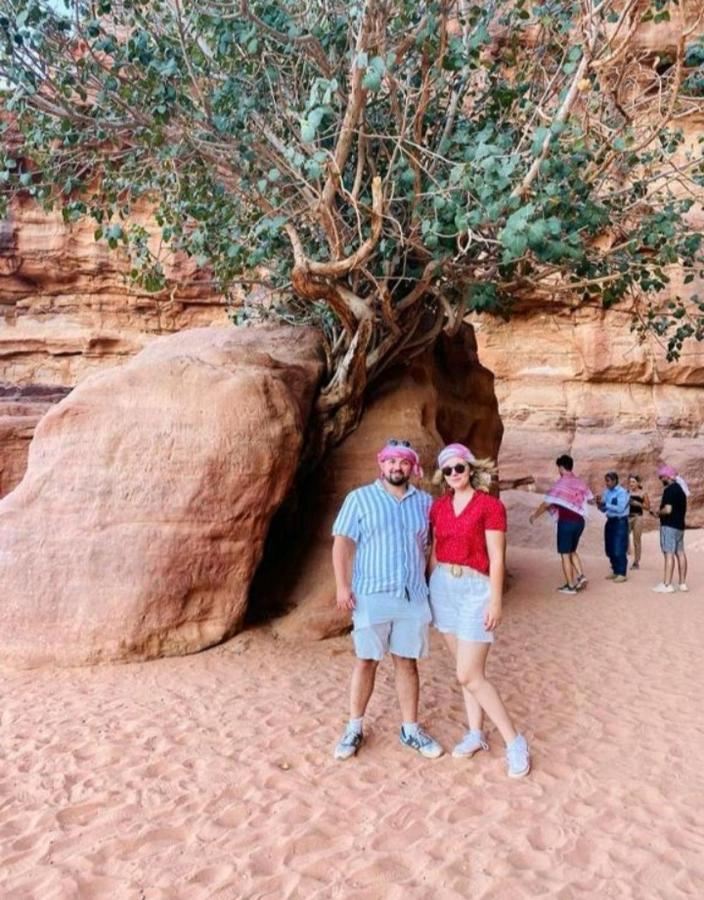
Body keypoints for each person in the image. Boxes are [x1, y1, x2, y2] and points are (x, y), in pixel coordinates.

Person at [331, 439, 443, 761]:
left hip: (412, 595)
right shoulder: (360, 499)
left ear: (412, 467)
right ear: (381, 464)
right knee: (366, 660)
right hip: (371, 595)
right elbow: (341, 543)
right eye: (391, 462)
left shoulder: (424, 502)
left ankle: (410, 729)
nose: (397, 467)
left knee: (407, 662)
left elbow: (432, 547)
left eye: (403, 462)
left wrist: (431, 585)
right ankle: (354, 728)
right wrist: (342, 586)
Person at [428, 443, 531, 779]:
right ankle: (475, 733)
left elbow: (498, 558)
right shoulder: (439, 507)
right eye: (448, 470)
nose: (455, 474)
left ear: (470, 469)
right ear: (442, 475)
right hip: (443, 586)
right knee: (463, 670)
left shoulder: (490, 506)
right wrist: (430, 584)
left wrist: (495, 600)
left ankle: (515, 742)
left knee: (469, 674)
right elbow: (434, 549)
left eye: (460, 468)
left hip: (476, 589)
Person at [529, 454, 592, 595]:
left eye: (558, 468)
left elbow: (547, 504)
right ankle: (581, 576)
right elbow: (589, 497)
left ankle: (570, 586)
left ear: (562, 468)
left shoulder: (560, 484)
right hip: (580, 522)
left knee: (564, 554)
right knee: (572, 551)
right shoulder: (579, 482)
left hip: (566, 523)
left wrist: (534, 516)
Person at [650, 464, 689, 593]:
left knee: (669, 553)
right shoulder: (681, 490)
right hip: (680, 526)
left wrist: (658, 513)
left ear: (667, 477)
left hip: (669, 526)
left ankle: (667, 584)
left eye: (661, 477)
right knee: (681, 553)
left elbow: (667, 510)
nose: (661, 480)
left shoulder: (669, 490)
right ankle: (682, 583)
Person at [595, 471, 630, 582]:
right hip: (610, 521)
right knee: (609, 547)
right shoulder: (607, 492)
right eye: (606, 481)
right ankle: (615, 570)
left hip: (620, 522)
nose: (607, 483)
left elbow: (620, 508)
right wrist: (600, 504)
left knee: (618, 547)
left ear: (615, 481)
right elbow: (603, 509)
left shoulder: (622, 492)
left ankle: (622, 573)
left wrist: (606, 505)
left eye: (608, 481)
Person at [627, 475, 650, 570]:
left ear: (638, 483)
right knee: (623, 537)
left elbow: (648, 507)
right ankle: (623, 558)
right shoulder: (627, 492)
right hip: (627, 517)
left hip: (638, 517)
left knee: (637, 540)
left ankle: (636, 562)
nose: (631, 484)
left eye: (633, 482)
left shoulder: (643, 493)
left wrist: (637, 504)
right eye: (630, 482)